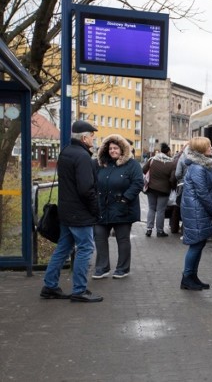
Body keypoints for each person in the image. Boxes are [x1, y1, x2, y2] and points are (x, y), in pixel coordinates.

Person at [40, 120, 103, 303]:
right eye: (92, 135)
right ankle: (79, 290)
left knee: (63, 248)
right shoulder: (82, 157)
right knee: (85, 248)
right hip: (80, 214)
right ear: (84, 137)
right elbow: (86, 189)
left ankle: (50, 286)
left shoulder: (66, 152)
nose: (93, 138)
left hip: (66, 213)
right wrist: (95, 210)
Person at [92, 134, 144, 280]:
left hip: (123, 207)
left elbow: (138, 183)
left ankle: (122, 268)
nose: (112, 151)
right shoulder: (101, 164)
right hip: (103, 207)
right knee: (100, 237)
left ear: (122, 149)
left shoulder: (132, 165)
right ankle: (102, 267)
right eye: (110, 148)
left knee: (122, 239)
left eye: (115, 148)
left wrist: (125, 199)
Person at [179, 137, 212, 291]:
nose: (211, 147)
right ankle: (187, 278)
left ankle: (193, 276)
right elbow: (202, 192)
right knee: (195, 245)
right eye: (209, 145)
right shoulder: (198, 168)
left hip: (197, 209)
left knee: (199, 244)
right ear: (202, 149)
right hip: (196, 210)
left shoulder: (203, 165)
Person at [142, 142, 175, 237]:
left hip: (151, 188)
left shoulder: (152, 160)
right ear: (168, 152)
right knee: (161, 210)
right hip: (164, 191)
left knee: (151, 208)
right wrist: (172, 187)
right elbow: (172, 179)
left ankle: (149, 229)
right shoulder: (172, 164)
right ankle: (160, 231)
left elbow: (144, 170)